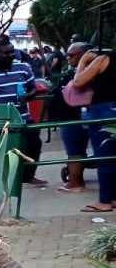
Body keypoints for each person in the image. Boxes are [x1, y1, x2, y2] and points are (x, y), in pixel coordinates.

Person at [0, 38, 45, 186]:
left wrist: (28, 96)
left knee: (34, 145)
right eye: (7, 53)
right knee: (1, 151)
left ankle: (28, 176)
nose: (11, 55)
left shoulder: (24, 68)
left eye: (13, 52)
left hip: (23, 118)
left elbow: (33, 88)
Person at [72, 46, 116, 212]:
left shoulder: (103, 59)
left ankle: (104, 201)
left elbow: (78, 82)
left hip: (104, 110)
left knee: (104, 156)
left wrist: (83, 60)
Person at [55, 43, 90, 193]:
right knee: (78, 150)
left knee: (74, 151)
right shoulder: (71, 72)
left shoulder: (84, 73)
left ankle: (75, 183)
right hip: (75, 116)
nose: (68, 58)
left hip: (76, 117)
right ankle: (77, 180)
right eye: (67, 55)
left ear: (84, 55)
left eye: (72, 55)